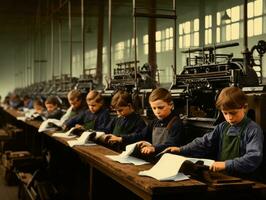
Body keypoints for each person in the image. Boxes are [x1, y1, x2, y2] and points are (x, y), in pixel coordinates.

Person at [163, 86, 264, 177]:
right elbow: (203, 142)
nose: (229, 118)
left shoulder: (253, 130)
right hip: (225, 177)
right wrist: (181, 149)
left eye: (233, 113)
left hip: (247, 182)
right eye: (225, 113)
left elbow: (253, 158)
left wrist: (226, 164)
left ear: (245, 107)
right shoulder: (222, 127)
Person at [108, 87, 183, 156]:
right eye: (154, 108)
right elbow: (141, 135)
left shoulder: (176, 123)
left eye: (160, 107)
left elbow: (171, 144)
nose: (157, 111)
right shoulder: (154, 122)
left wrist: (153, 148)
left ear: (171, 105)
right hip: (156, 157)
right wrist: (121, 139)